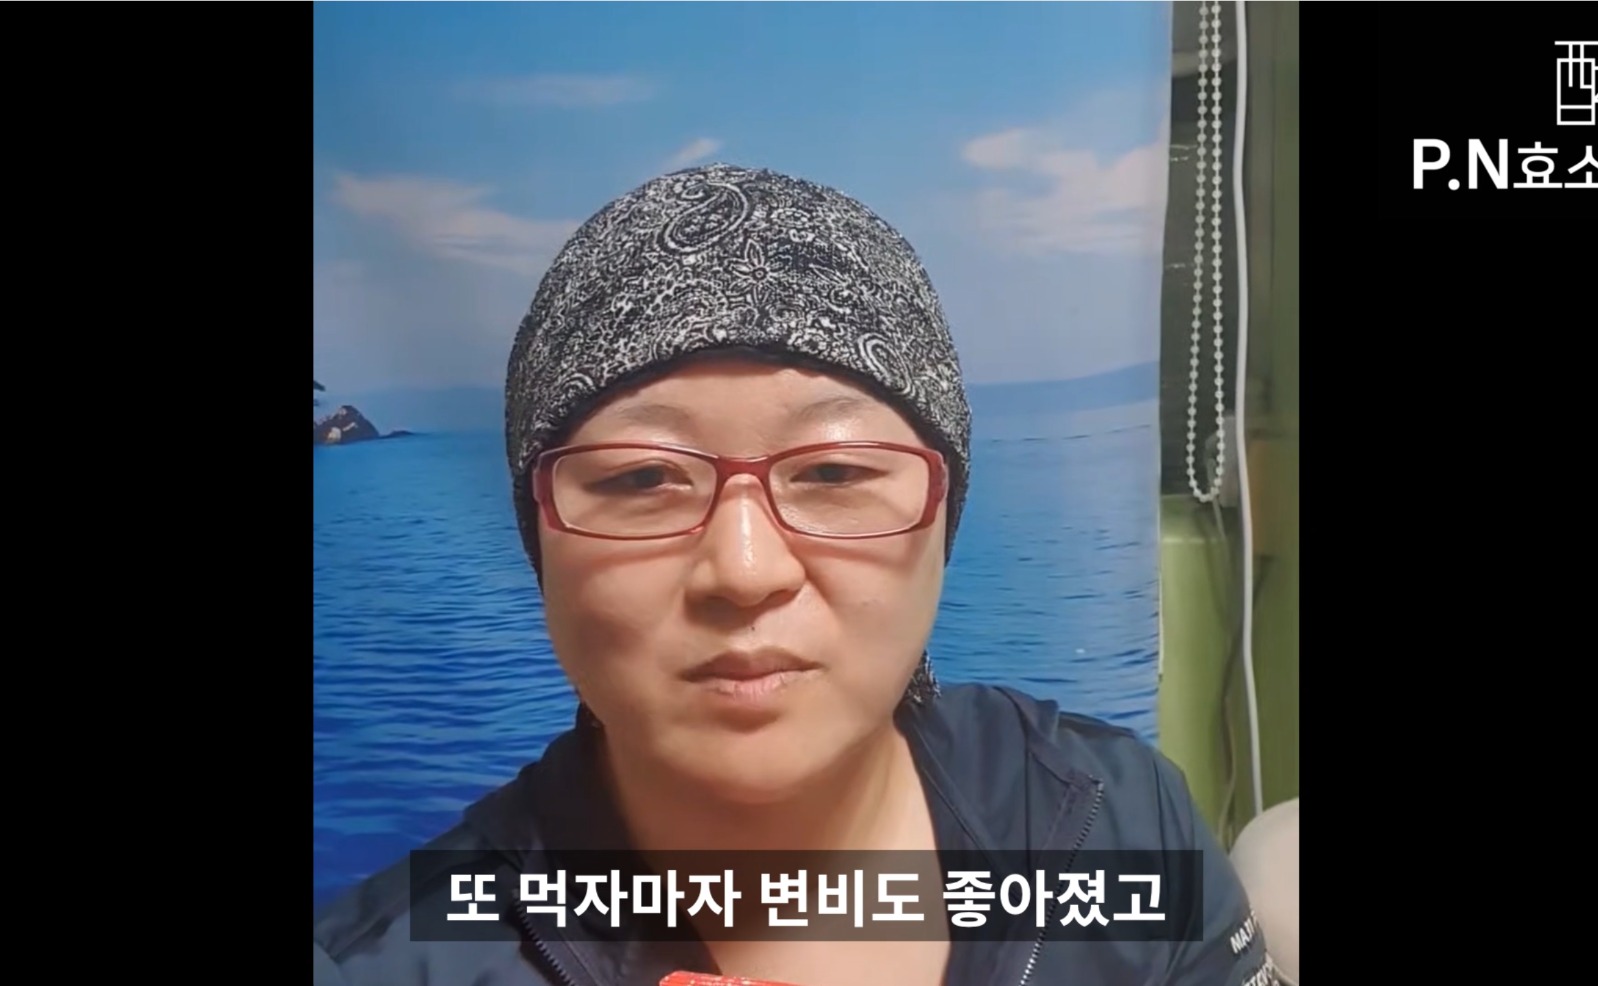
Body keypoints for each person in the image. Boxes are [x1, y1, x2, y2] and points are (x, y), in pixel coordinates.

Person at [313, 163, 1277, 986]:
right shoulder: (390, 964)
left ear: (943, 517)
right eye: (643, 479)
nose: (744, 570)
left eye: (834, 474)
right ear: (540, 541)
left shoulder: (1109, 817)